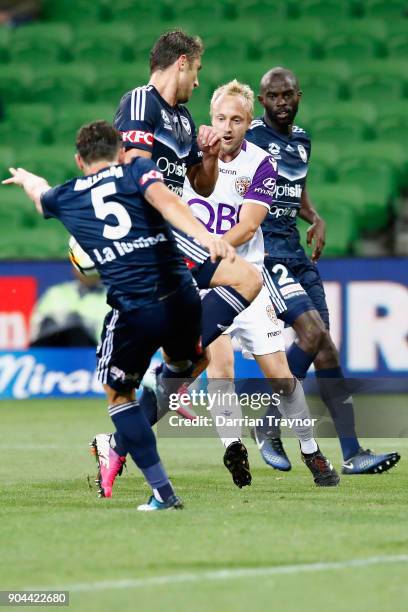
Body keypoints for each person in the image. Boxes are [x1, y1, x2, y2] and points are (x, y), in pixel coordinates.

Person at [2, 120, 236, 511]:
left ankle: (163, 492)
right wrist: (206, 236)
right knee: (197, 358)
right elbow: (168, 202)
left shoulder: (67, 195)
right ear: (121, 151)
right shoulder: (138, 170)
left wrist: (28, 178)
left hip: (136, 308)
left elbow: (40, 195)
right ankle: (169, 382)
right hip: (181, 297)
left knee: (118, 395)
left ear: (79, 160)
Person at [91, 29, 263, 496]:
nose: (198, 84)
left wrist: (207, 156)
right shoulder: (140, 104)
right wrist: (194, 229)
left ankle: (118, 442)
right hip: (149, 233)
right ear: (182, 63)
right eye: (198, 72)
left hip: (172, 232)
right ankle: (162, 366)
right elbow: (138, 172)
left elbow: (201, 185)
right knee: (242, 280)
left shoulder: (185, 121)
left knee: (206, 343)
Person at [183, 79, 339, 487]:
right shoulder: (189, 156)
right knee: (220, 366)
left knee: (282, 378)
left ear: (249, 122)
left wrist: (209, 246)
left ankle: (310, 450)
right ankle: (233, 447)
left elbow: (250, 224)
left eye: (237, 119)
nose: (228, 126)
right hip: (204, 281)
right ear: (211, 117)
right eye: (221, 118)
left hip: (248, 282)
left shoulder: (261, 164)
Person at [246, 67, 400, 475]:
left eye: (288, 94)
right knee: (312, 334)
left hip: (296, 251)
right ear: (262, 101)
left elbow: (296, 187)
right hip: (266, 254)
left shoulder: (301, 141)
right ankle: (267, 424)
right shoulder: (250, 139)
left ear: (300, 96)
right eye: (273, 96)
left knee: (324, 345)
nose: (281, 102)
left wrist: (314, 215)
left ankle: (352, 454)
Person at [29, 268, 109, 347]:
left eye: (91, 269)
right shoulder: (56, 292)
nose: (88, 273)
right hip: (53, 348)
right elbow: (38, 325)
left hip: (91, 351)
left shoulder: (111, 299)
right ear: (74, 270)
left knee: (77, 333)